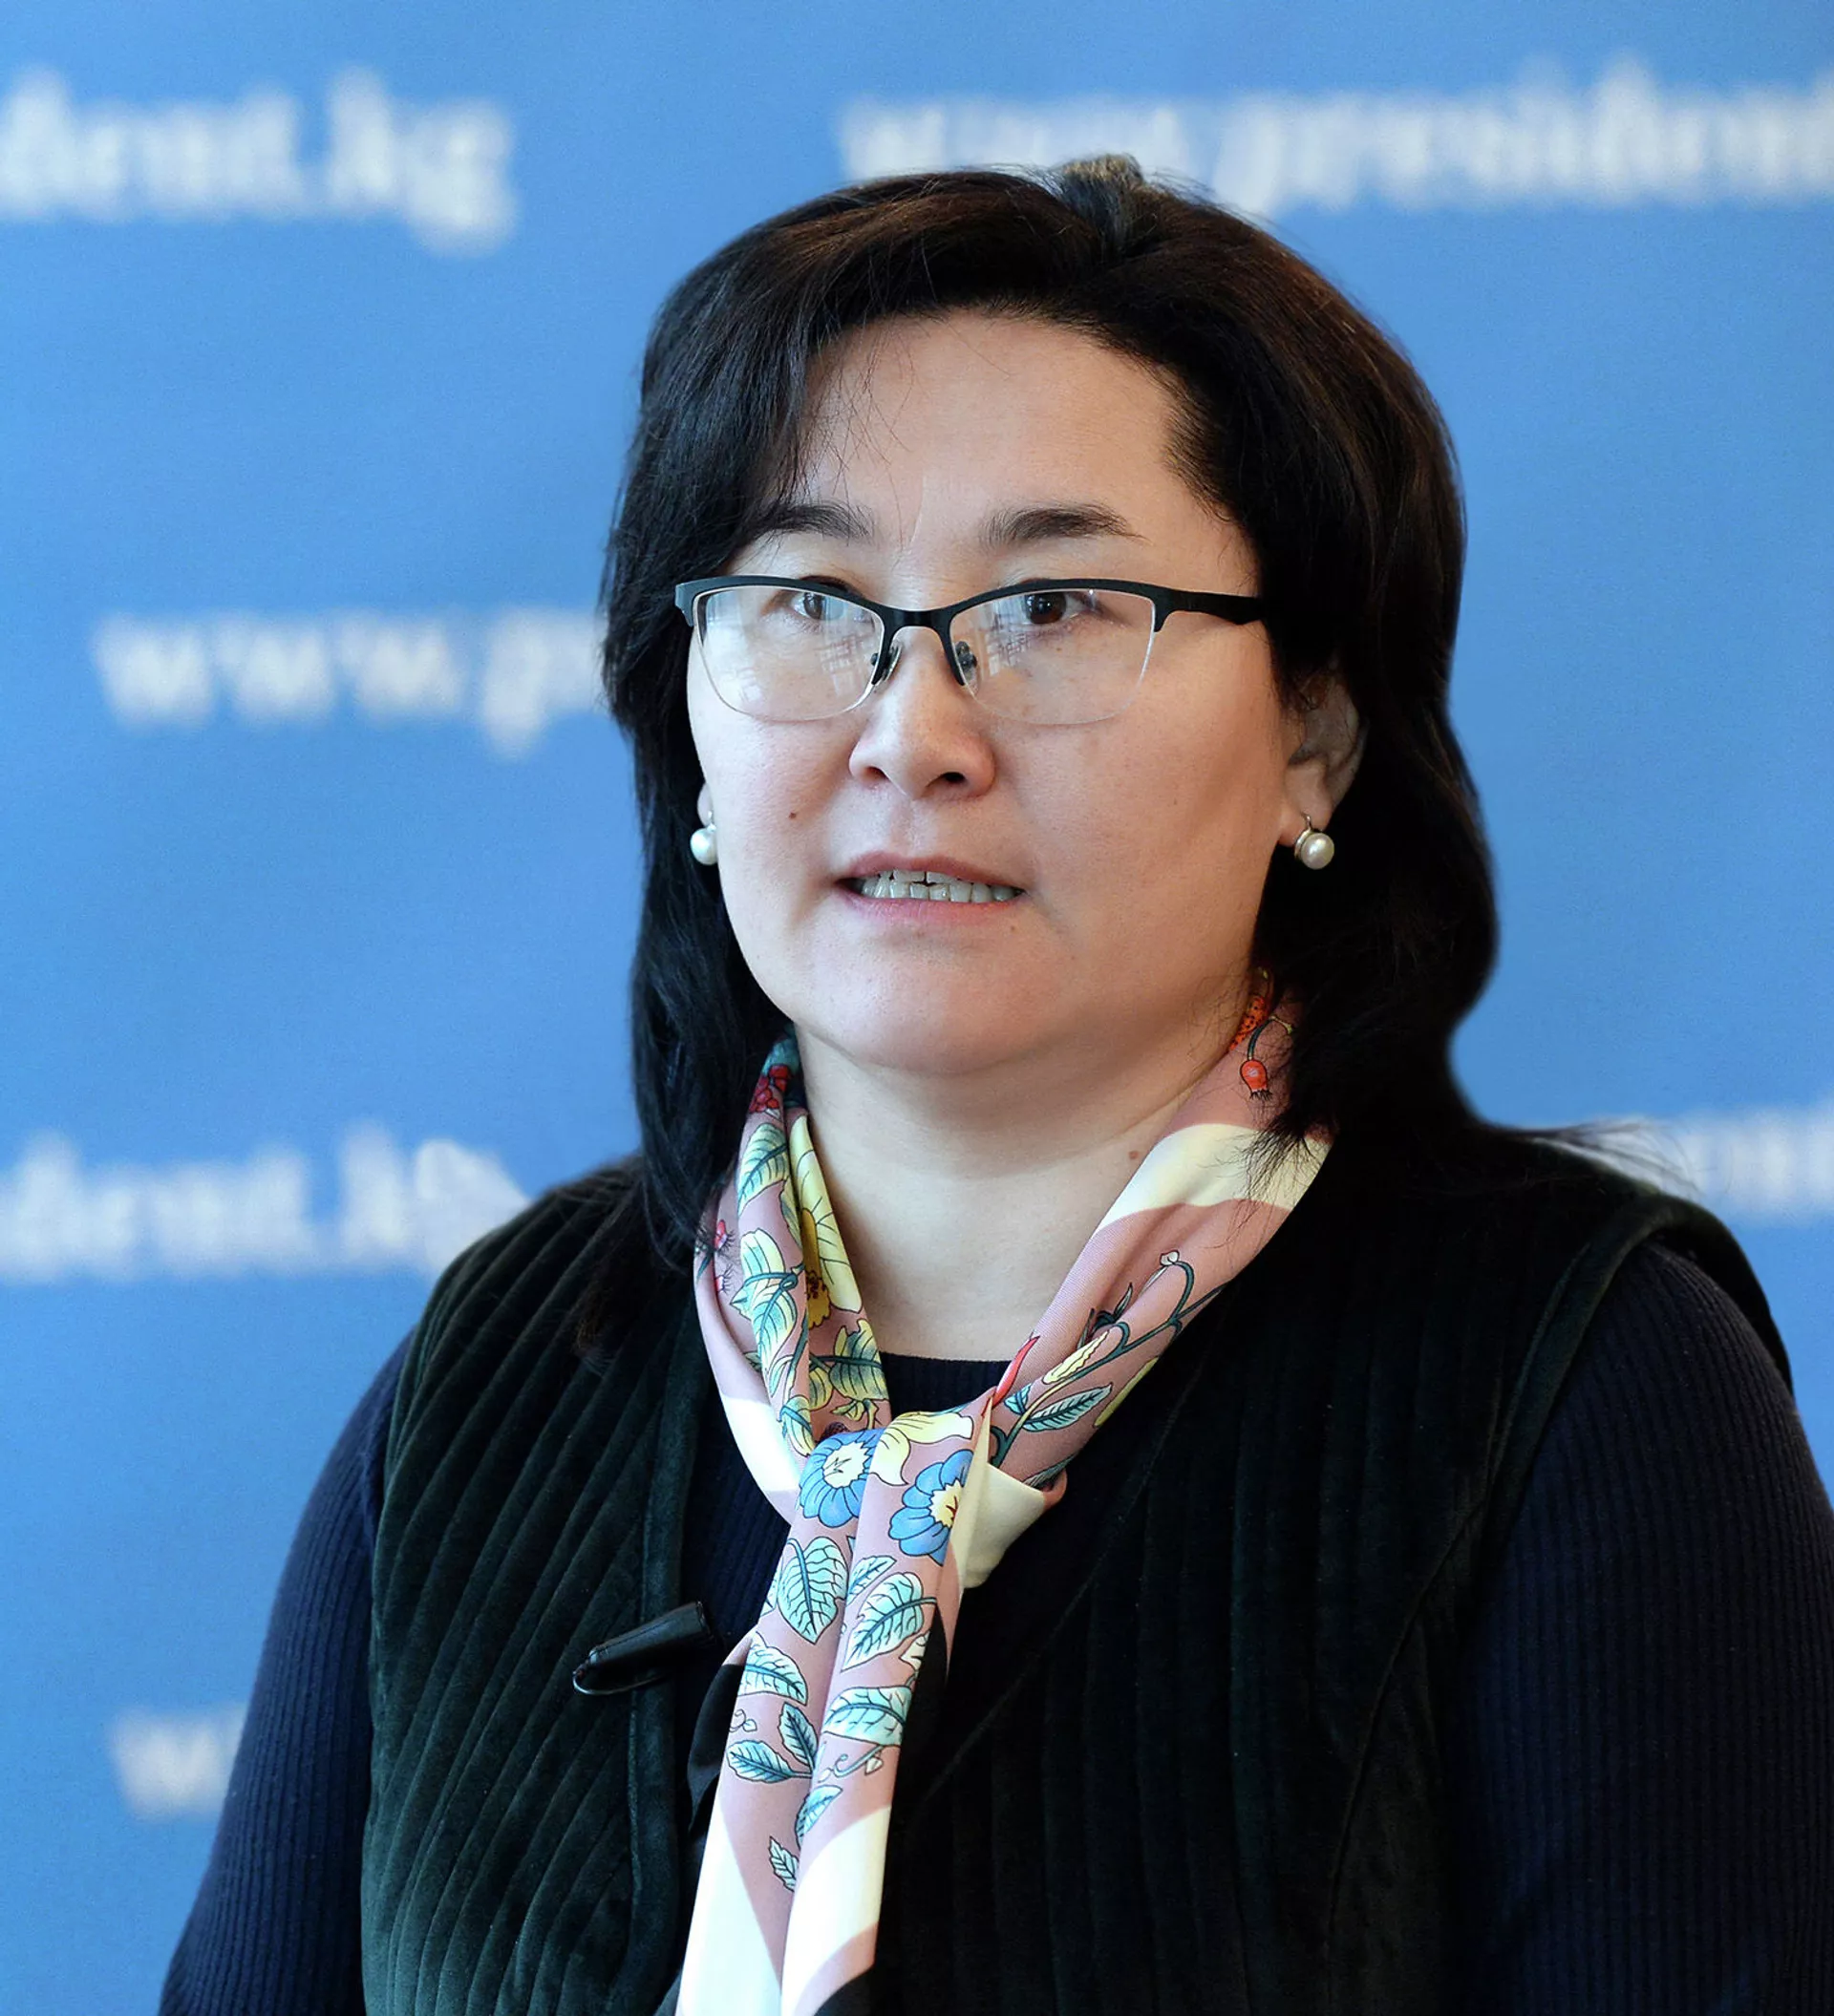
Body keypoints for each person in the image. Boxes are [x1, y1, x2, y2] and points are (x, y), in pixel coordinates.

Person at [161, 158, 1834, 2016]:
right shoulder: (497, 1379)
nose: (914, 733)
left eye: (1053, 606)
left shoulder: (1585, 1390)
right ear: (689, 725)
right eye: (810, 600)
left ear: (1316, 729)